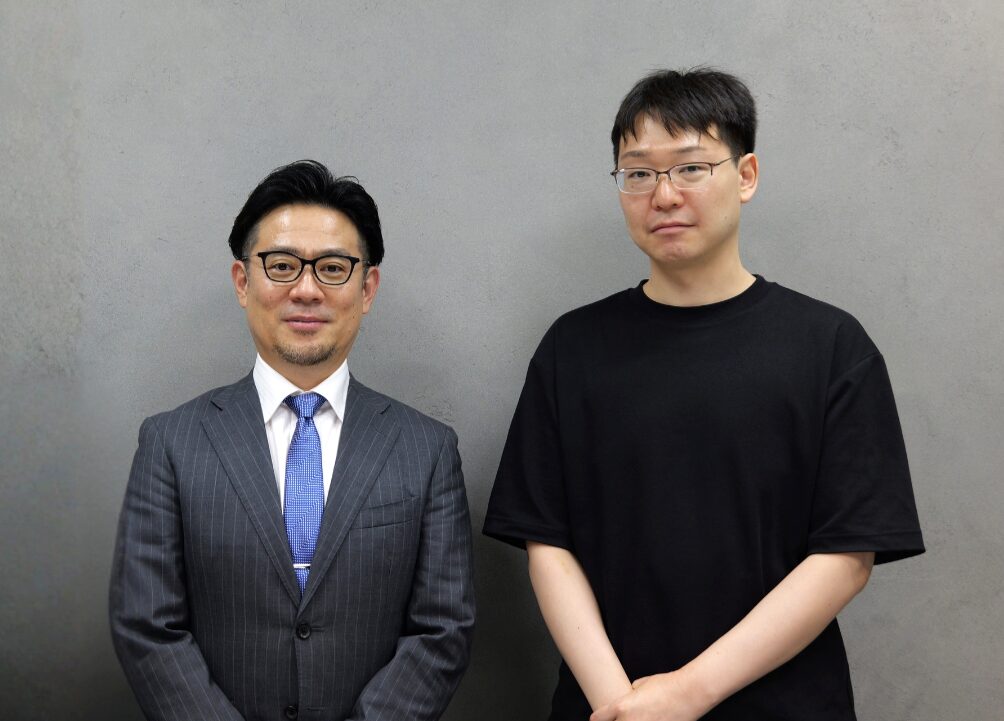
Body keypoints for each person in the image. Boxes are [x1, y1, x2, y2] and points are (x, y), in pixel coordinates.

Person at [483, 69, 924, 721]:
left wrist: (688, 694)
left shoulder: (832, 346)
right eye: (638, 173)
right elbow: (547, 542)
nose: (663, 195)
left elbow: (846, 556)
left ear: (746, 175)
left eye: (690, 168)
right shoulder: (571, 348)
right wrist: (621, 704)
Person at [110, 160, 475, 721]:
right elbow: (146, 625)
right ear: (243, 282)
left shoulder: (427, 450)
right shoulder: (170, 443)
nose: (306, 290)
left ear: (367, 287)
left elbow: (442, 629)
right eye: (281, 266)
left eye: (332, 268)